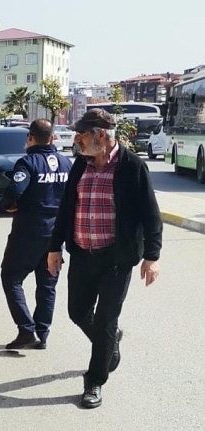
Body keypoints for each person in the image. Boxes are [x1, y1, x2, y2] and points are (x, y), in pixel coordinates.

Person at [47, 108, 163, 409]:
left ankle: (95, 381)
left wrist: (152, 256)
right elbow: (66, 209)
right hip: (83, 255)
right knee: (77, 312)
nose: (76, 140)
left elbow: (152, 216)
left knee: (106, 320)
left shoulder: (132, 167)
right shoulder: (80, 166)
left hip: (116, 259)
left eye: (82, 134)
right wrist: (54, 247)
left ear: (101, 135)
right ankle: (109, 341)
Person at [0, 119, 72, 350]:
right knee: (47, 284)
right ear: (53, 138)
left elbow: (14, 190)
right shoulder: (66, 163)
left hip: (29, 230)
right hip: (56, 233)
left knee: (11, 277)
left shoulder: (27, 162)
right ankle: (43, 332)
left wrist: (9, 204)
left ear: (30, 138)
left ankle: (26, 329)